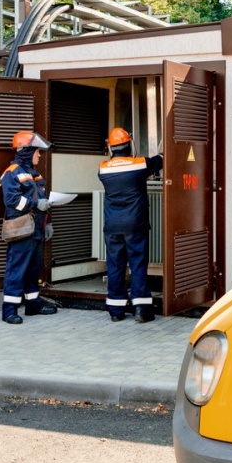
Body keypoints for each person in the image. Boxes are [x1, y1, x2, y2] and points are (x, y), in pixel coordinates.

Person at [98, 127, 164, 323]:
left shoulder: (103, 168)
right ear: (129, 144)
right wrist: (163, 149)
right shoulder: (140, 164)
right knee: (137, 265)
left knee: (115, 266)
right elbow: (159, 160)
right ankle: (142, 310)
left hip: (112, 226)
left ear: (111, 148)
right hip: (136, 224)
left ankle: (116, 311)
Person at [0, 131, 59, 324]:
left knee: (34, 270)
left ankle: (33, 305)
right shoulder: (12, 172)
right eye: (37, 151)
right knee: (16, 270)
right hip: (22, 230)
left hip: (36, 229)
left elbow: (43, 200)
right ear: (26, 151)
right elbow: (12, 201)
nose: (39, 155)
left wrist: (48, 222)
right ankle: (9, 311)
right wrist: (35, 204)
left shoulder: (35, 174)